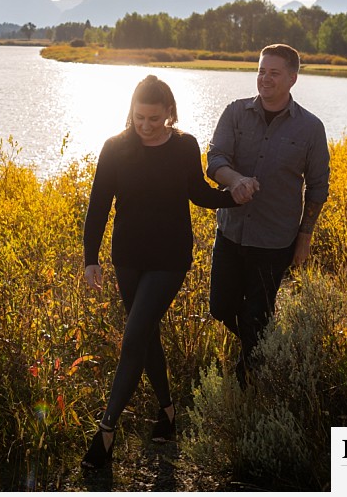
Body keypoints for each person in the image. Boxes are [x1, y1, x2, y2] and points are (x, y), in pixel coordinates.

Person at [80, 75, 238, 470]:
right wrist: (90, 258)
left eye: (154, 118)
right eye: (139, 118)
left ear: (169, 112)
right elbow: (98, 204)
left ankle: (106, 431)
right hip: (128, 256)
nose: (146, 126)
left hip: (170, 257)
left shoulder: (184, 146)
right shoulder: (115, 148)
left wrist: (231, 197)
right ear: (131, 113)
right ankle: (167, 413)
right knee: (146, 336)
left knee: (133, 335)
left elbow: (196, 192)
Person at [206, 43, 330, 386]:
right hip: (230, 233)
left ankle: (249, 383)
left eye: (274, 72)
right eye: (261, 70)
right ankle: (265, 346)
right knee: (220, 308)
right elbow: (215, 159)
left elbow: (318, 187)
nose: (265, 78)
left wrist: (304, 238)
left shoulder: (310, 128)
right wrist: (235, 181)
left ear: (292, 78)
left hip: (274, 241)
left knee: (256, 316)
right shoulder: (235, 113)